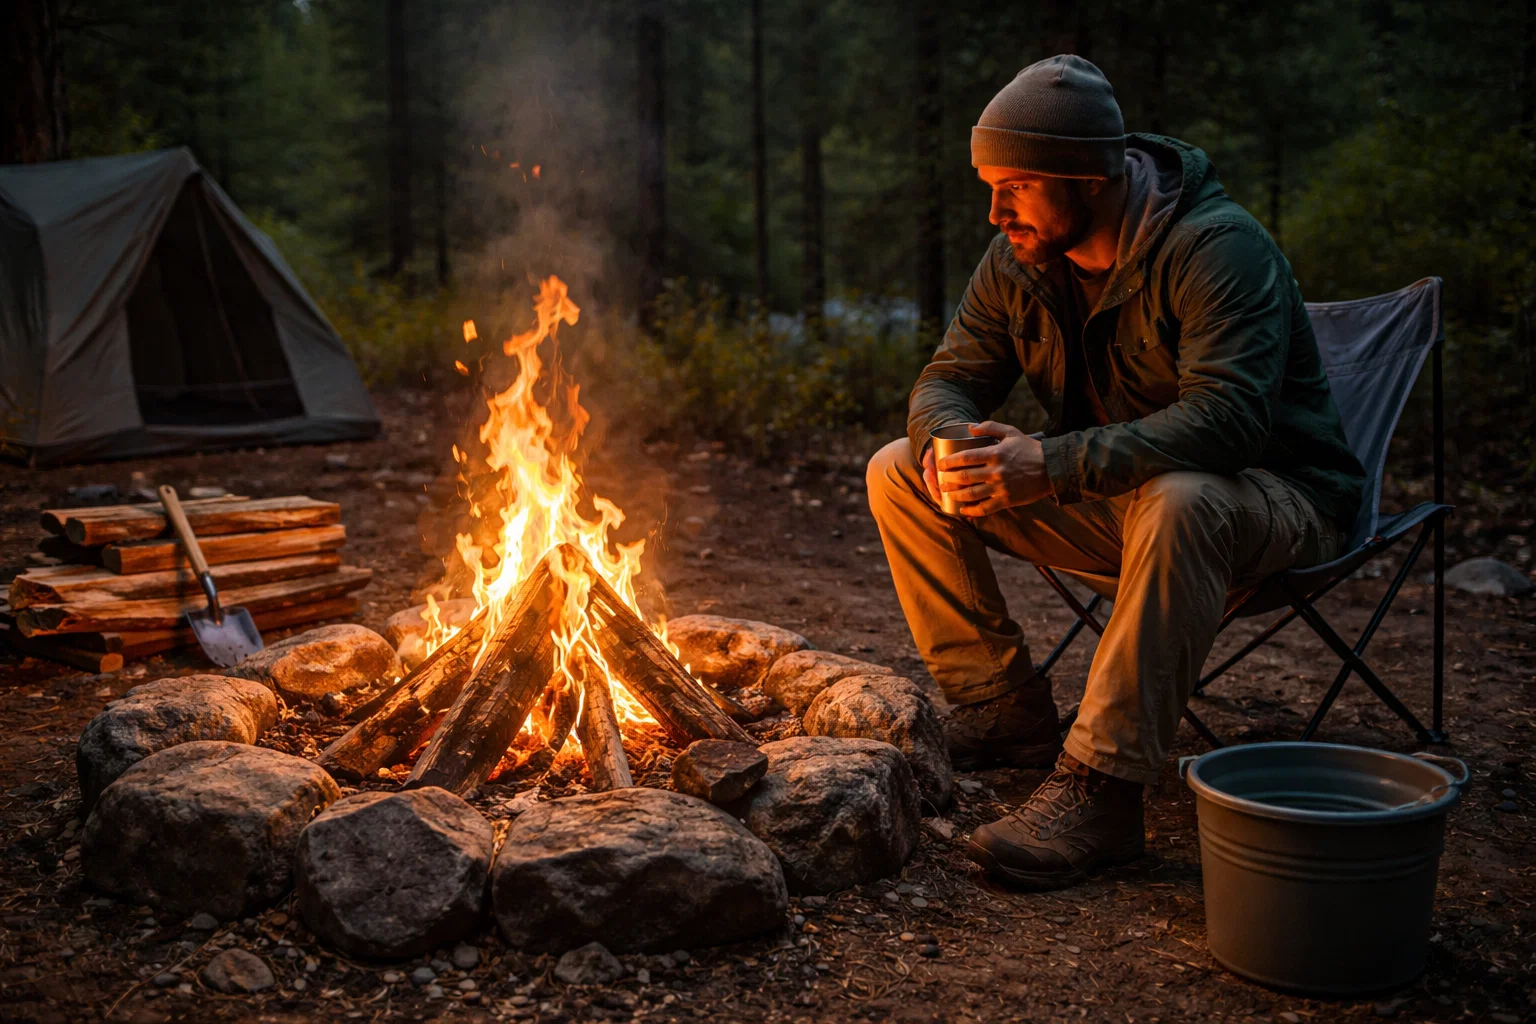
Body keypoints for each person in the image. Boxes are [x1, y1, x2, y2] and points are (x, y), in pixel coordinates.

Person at [865, 55, 1365, 890]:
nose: (996, 212)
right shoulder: (1020, 258)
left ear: (1090, 178)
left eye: (1016, 186)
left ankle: (1102, 791)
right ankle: (1000, 707)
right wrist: (952, 443)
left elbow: (1230, 422)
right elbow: (948, 378)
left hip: (1275, 501)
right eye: (990, 187)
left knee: (1181, 498)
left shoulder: (1219, 248)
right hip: (1127, 502)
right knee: (898, 468)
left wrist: (1051, 463)